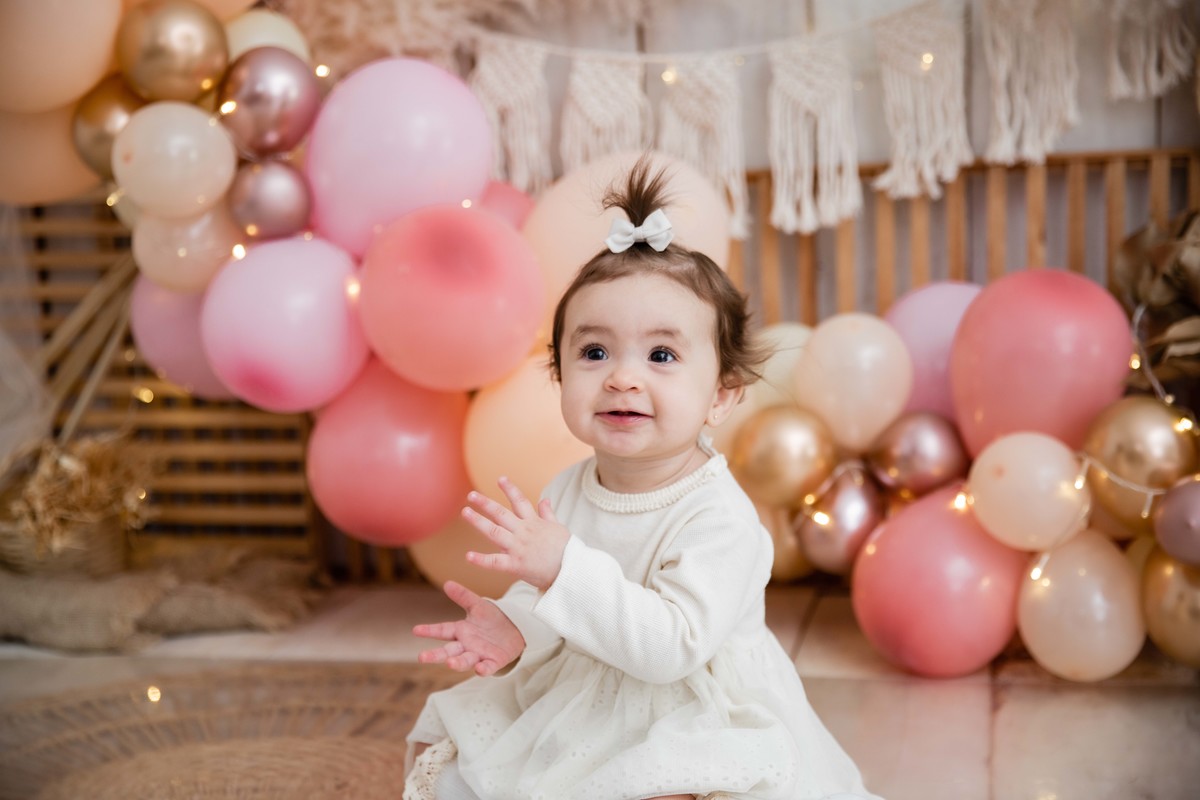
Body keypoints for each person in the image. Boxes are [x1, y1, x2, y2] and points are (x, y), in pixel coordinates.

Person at [403, 156, 882, 800]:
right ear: (559, 375)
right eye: (594, 352)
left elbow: (671, 649)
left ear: (721, 395)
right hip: (588, 689)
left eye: (661, 355)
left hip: (690, 705)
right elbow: (551, 597)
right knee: (456, 755)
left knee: (667, 784)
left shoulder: (719, 516)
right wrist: (516, 624)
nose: (623, 378)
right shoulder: (569, 487)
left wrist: (564, 567)